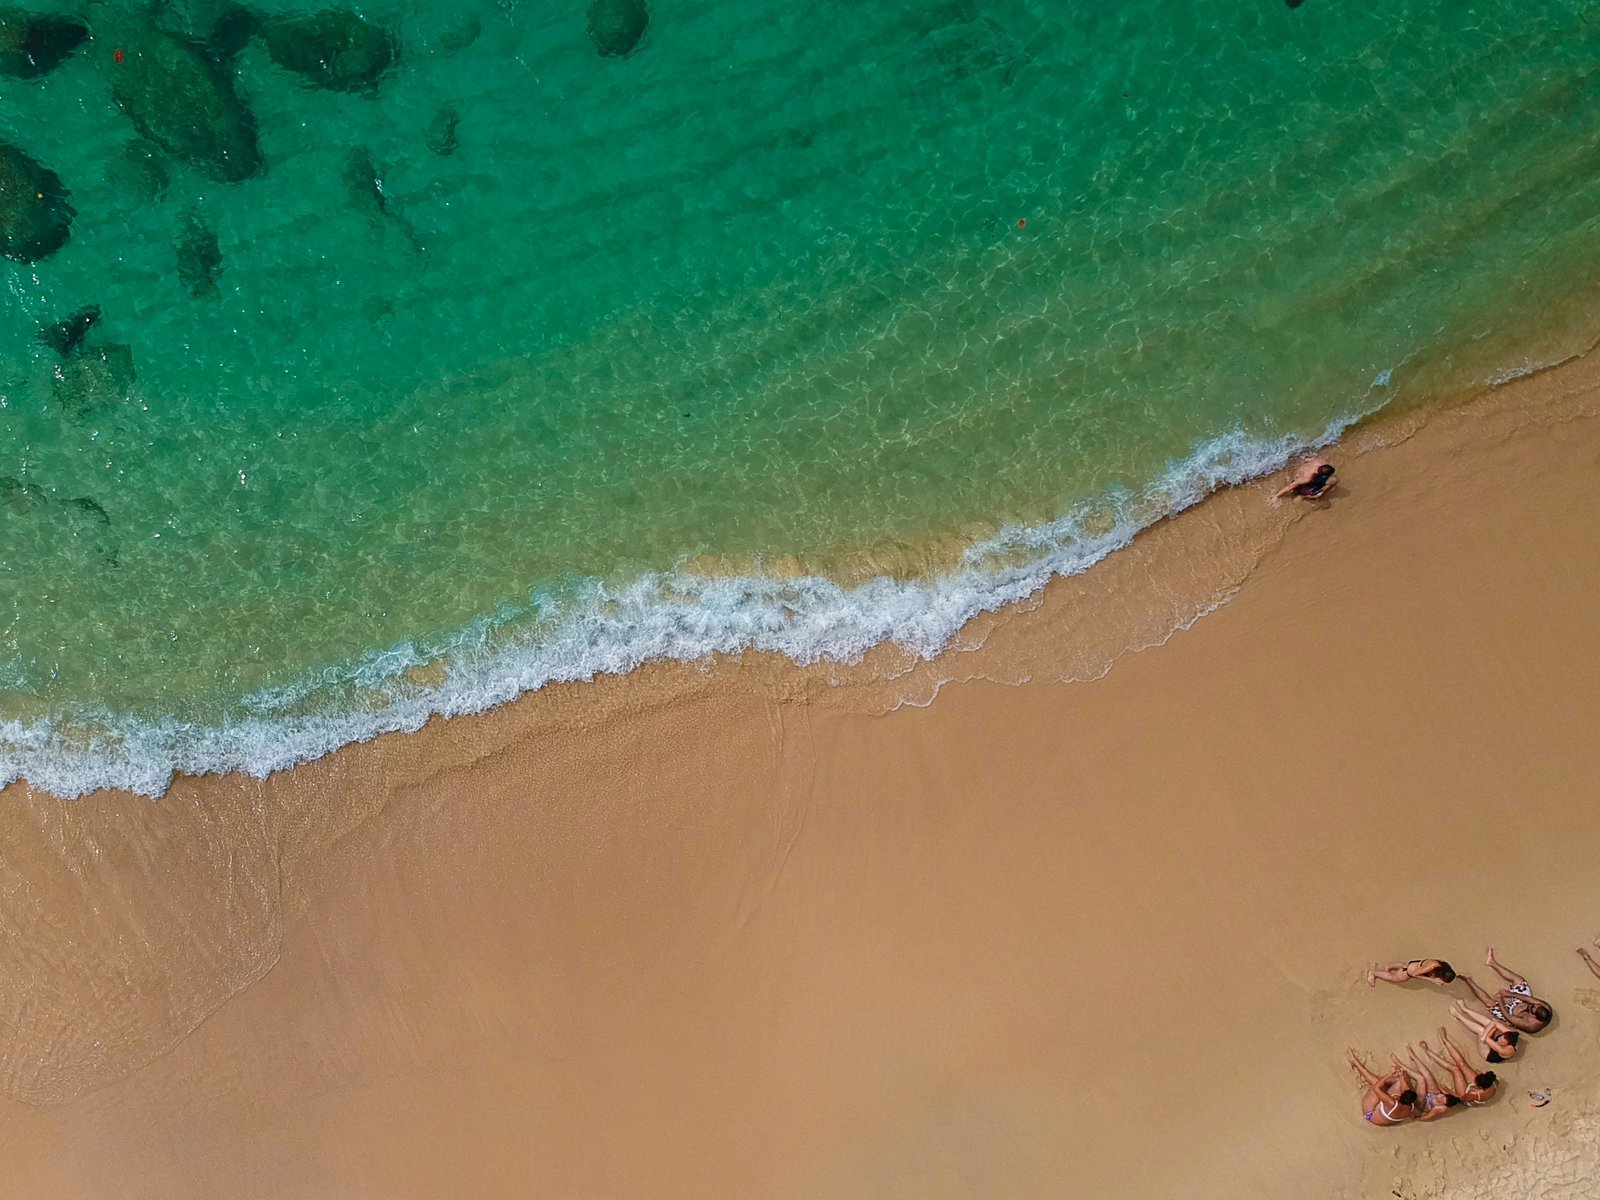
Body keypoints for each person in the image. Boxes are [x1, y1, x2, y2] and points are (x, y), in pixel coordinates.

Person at [1456, 948, 1552, 1033]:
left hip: (1509, 1013)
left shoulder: (1529, 1025)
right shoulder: (1545, 1007)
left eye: (1532, 1009)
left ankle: (1467, 980)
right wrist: (1509, 994)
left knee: (1489, 1003)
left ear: (1534, 1016)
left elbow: (1508, 1017)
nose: (1532, 1005)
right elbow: (1528, 998)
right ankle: (1492, 963)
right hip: (1521, 1003)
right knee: (1519, 981)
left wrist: (1500, 1001)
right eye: (1534, 1005)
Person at [1421, 1031, 1497, 1106]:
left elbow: (1460, 1099)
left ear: (1479, 1086)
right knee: (1462, 1063)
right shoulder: (1490, 1080)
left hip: (1465, 1093)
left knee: (1455, 1070)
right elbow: (1494, 1081)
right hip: (1478, 1087)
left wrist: (1449, 1091)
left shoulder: (1474, 1095)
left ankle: (1428, 1051)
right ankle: (1445, 1040)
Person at [1347, 1049, 1418, 1126]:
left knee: (1375, 1082)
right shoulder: (1410, 1106)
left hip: (1370, 1113)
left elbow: (1376, 1088)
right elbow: (1403, 1083)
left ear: (1402, 1096)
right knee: (1398, 1080)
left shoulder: (1392, 1103)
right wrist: (1399, 1073)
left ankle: (1354, 1062)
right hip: (1387, 1115)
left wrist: (1389, 1074)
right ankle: (1371, 1078)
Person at [1449, 999, 1520, 1063]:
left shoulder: (1504, 1051)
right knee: (1488, 1022)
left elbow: (1484, 1039)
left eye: (1501, 1040)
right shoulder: (1510, 1034)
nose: (1499, 1038)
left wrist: (1485, 1034)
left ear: (1505, 1044)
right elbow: (1494, 1023)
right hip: (1490, 1041)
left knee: (1481, 1031)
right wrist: (1488, 1031)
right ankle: (1464, 1009)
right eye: (1502, 1036)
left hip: (1488, 1053)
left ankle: (1458, 1016)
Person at [1404, 1046, 1460, 1121]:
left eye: (1441, 1102)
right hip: (1432, 1093)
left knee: (1421, 1079)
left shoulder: (1442, 1108)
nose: (1439, 1100)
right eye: (1441, 1098)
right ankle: (1413, 1057)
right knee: (1427, 1074)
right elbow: (1459, 1098)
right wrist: (1446, 1090)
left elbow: (1428, 1117)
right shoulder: (1448, 1097)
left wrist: (1417, 1118)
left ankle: (1402, 1067)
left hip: (1422, 1103)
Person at [1367, 958, 1456, 988]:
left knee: (1403, 965)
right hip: (1408, 972)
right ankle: (1373, 973)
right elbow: (1414, 974)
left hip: (1414, 964)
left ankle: (1389, 965)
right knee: (1393, 978)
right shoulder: (1431, 967)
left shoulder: (1442, 965)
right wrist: (1432, 980)